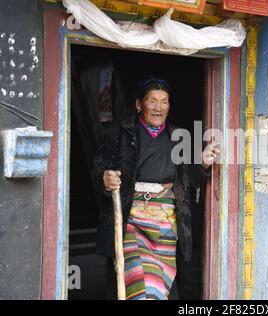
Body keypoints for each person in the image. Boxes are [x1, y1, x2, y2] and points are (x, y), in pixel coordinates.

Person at [91, 77, 220, 300]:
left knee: (161, 282)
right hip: (131, 220)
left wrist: (202, 163)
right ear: (139, 104)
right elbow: (99, 169)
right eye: (152, 101)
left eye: (164, 101)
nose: (159, 107)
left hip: (165, 223)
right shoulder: (119, 133)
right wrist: (105, 178)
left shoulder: (177, 136)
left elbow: (188, 179)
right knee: (139, 281)